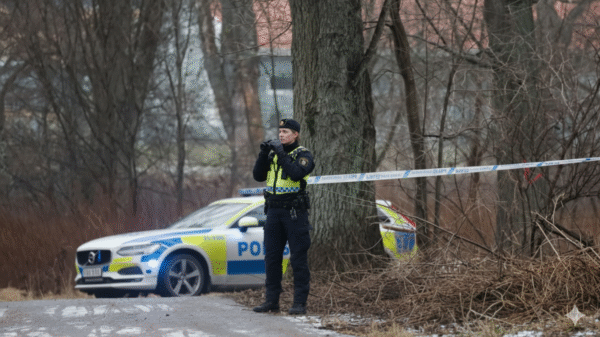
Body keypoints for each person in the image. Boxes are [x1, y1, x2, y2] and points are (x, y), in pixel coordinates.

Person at [252, 118, 315, 315]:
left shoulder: (303, 155)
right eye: (280, 132)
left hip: (294, 213)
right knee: (271, 258)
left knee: (298, 259)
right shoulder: (273, 155)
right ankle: (271, 301)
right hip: (273, 212)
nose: (281, 135)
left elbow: (296, 174)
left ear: (295, 134)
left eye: (285, 132)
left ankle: (299, 303)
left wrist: (280, 153)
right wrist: (264, 154)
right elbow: (258, 176)